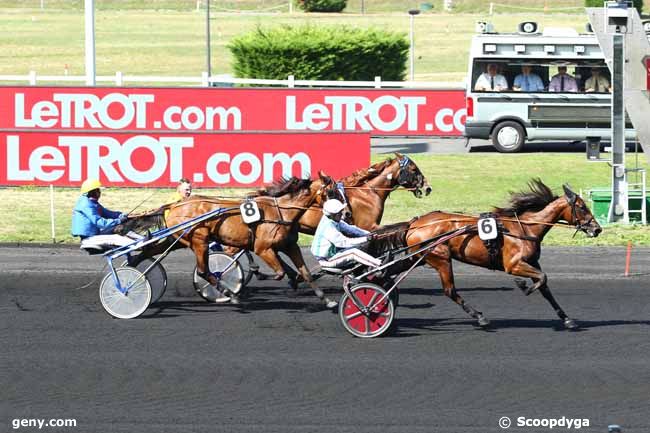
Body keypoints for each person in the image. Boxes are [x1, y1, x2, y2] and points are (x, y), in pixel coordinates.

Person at [311, 199, 381, 269]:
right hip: (325, 260)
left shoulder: (332, 219)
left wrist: (368, 234)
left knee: (360, 246)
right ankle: (379, 264)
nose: (342, 214)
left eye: (341, 211)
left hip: (332, 254)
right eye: (339, 212)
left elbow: (351, 229)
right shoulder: (328, 228)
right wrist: (366, 239)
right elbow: (345, 242)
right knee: (353, 252)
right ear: (332, 214)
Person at [71, 179, 132, 249]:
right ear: (92, 192)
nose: (100, 192)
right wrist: (119, 220)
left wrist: (121, 215)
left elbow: (107, 213)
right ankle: (138, 245)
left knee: (119, 229)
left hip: (93, 235)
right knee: (116, 237)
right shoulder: (86, 205)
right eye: (98, 190)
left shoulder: (91, 202)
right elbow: (100, 223)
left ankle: (139, 242)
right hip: (89, 239)